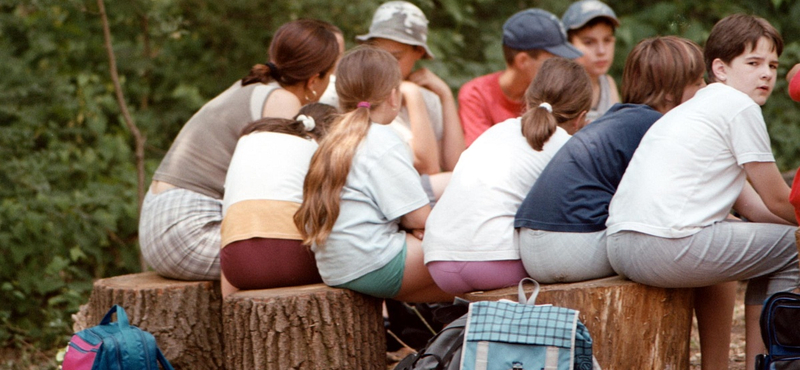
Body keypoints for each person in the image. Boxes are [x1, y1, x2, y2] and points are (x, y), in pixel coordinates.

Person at [515, 36, 739, 370]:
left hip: (534, 245)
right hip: (569, 245)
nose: (705, 89)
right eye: (697, 83)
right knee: (716, 254)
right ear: (669, 91)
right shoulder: (657, 127)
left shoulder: (621, 119)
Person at [605, 14, 799, 370]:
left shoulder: (696, 109)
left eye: (773, 64)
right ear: (720, 68)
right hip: (663, 246)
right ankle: (775, 362)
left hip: (622, 246)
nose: (767, 74)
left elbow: (757, 210)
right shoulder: (737, 106)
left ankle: (758, 359)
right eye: (753, 63)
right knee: (794, 249)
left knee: (782, 240)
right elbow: (778, 199)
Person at [138, 19, 340, 281]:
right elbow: (284, 196)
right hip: (188, 230)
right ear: (315, 80)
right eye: (331, 73)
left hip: (163, 221)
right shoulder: (281, 101)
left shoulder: (257, 87)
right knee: (334, 258)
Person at [294, 46, 453, 303]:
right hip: (375, 263)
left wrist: (414, 229)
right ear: (393, 96)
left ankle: (452, 315)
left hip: (337, 268)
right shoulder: (382, 139)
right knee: (474, 245)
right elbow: (419, 216)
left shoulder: (333, 138)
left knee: (456, 288)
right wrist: (418, 229)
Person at [423, 57, 592, 295]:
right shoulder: (567, 147)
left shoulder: (497, 130)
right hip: (494, 262)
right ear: (581, 117)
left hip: (438, 262)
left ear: (529, 99)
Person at [220, 103, 338, 297]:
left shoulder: (251, 142)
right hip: (297, 264)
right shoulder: (319, 152)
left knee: (236, 221)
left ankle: (228, 315)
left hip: (237, 269)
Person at [356, 1, 464, 175]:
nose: (386, 65)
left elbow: (456, 166)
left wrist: (445, 96)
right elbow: (426, 165)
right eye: (379, 54)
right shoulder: (357, 91)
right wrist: (411, 93)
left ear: (419, 52)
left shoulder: (428, 98)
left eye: (396, 57)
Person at [458, 8, 582, 147]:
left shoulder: (554, 94)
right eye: (553, 61)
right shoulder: (477, 94)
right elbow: (483, 153)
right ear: (522, 61)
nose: (560, 69)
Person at [561, 0, 620, 122]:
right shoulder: (558, 88)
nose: (601, 51)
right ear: (568, 45)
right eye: (589, 42)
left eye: (607, 40)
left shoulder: (608, 84)